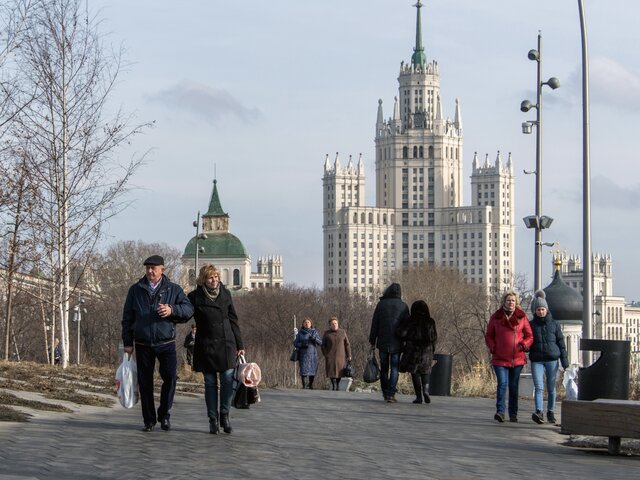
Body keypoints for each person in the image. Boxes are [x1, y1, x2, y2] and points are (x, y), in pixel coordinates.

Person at [121, 255, 194, 432]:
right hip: (143, 343)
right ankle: (149, 420)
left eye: (154, 268)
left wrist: (172, 310)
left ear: (162, 269)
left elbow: (188, 310)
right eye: (147, 268)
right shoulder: (136, 289)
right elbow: (127, 318)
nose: (150, 271)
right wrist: (128, 342)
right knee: (145, 382)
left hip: (166, 342)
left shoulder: (173, 289)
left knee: (170, 378)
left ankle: (164, 414)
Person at [188, 264, 244, 435]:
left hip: (226, 343)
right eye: (211, 277)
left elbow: (233, 319)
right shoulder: (195, 297)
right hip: (206, 345)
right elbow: (183, 313)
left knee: (227, 379)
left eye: (217, 277)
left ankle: (225, 415)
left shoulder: (226, 294)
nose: (214, 280)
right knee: (210, 383)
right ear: (203, 279)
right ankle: (213, 419)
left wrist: (240, 344)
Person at [485, 291, 533, 423]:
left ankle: (513, 413)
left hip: (516, 358)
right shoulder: (496, 317)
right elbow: (489, 335)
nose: (511, 303)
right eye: (508, 300)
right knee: (502, 384)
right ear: (504, 302)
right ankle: (500, 411)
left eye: (513, 300)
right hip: (500, 358)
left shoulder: (521, 317)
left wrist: (524, 345)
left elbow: (529, 335)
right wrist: (493, 347)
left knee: (513, 386)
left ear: (516, 302)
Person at [528, 290, 569, 425]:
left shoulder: (555, 324)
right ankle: (539, 411)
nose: (541, 311)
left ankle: (550, 411)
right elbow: (528, 341)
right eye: (538, 309)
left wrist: (564, 362)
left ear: (547, 310)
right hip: (537, 360)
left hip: (552, 359)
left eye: (543, 309)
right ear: (535, 311)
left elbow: (561, 343)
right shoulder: (531, 325)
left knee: (551, 388)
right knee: (538, 387)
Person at [369, 283, 410, 402]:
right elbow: (407, 326)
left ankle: (385, 392)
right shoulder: (403, 306)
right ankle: (391, 394)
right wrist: (406, 340)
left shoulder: (381, 305)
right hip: (397, 342)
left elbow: (375, 324)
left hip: (382, 341)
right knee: (395, 368)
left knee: (384, 368)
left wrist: (372, 340)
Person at [397, 300, 438, 404]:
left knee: (415, 372)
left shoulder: (411, 320)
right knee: (425, 371)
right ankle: (426, 391)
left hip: (413, 350)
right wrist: (432, 349)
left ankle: (419, 396)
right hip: (427, 350)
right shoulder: (430, 321)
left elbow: (401, 333)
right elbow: (434, 337)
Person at [321, 317, 351, 391]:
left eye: (335, 323)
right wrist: (325, 354)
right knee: (331, 371)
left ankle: (337, 384)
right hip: (330, 355)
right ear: (330, 325)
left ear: (338, 324)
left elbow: (347, 344)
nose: (334, 325)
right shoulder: (327, 333)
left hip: (341, 355)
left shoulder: (342, 332)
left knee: (340, 372)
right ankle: (333, 384)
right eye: (332, 324)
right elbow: (323, 345)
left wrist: (349, 355)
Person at [294, 317, 322, 389]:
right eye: (305, 323)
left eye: (308, 322)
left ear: (311, 324)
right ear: (303, 324)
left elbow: (320, 342)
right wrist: (301, 344)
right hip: (303, 354)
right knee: (303, 369)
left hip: (312, 353)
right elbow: (295, 343)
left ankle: (310, 385)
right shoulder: (300, 332)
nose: (307, 324)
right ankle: (303, 385)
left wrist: (314, 339)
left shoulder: (314, 332)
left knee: (312, 369)